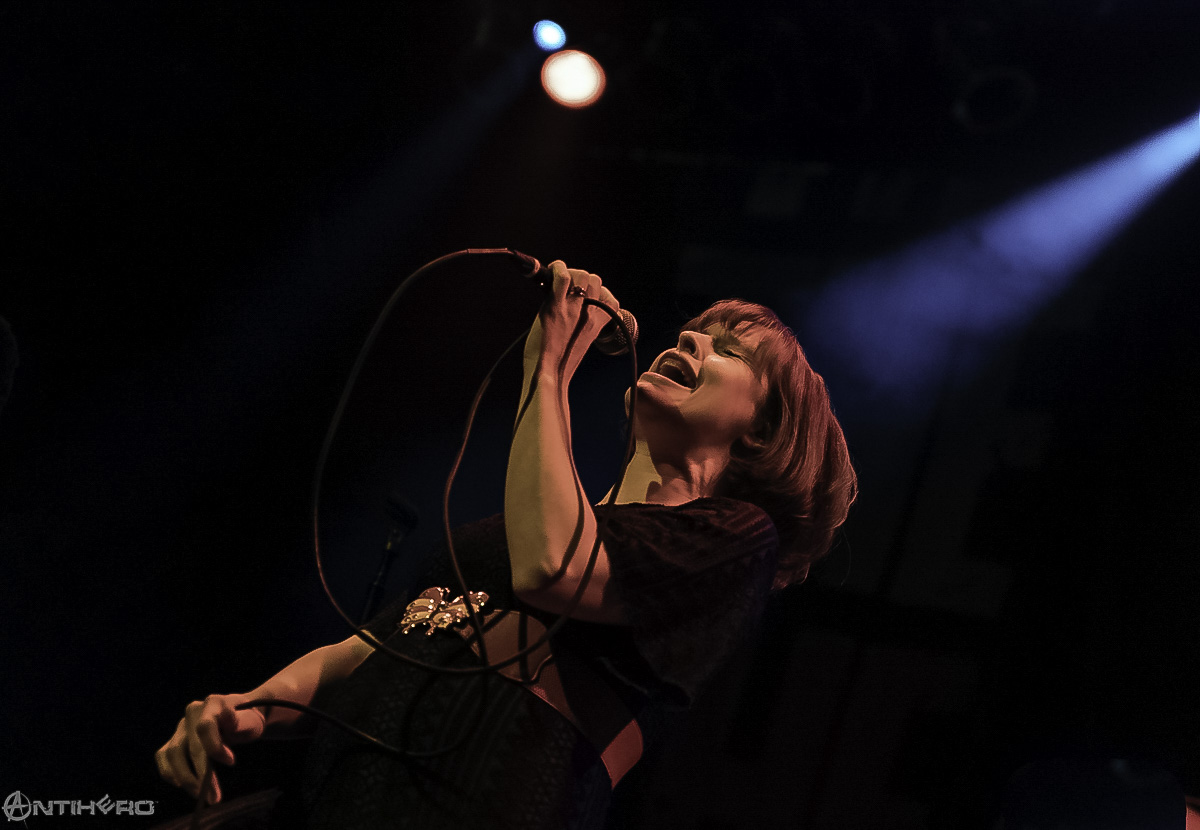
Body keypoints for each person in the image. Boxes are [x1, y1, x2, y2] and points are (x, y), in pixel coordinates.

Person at [155, 261, 857, 829]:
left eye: (728, 350)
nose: (692, 341)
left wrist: (548, 366)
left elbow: (556, 568)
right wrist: (251, 705)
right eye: (694, 332)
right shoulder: (526, 524)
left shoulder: (734, 539)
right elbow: (379, 646)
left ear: (762, 432)